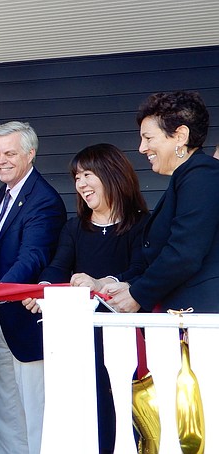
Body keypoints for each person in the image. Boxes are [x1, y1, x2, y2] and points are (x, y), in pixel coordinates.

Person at [22, 143, 149, 453]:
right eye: (77, 177)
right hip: (82, 344)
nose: (80, 185)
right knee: (90, 419)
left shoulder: (143, 223)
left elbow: (140, 270)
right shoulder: (75, 228)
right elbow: (57, 267)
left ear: (112, 175)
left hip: (128, 343)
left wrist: (101, 283)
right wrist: (42, 289)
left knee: (128, 421)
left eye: (87, 175)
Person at [0, 121, 66, 454]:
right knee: (7, 416)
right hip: (0, 323)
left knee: (37, 417)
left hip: (27, 322)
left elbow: (31, 257)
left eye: (9, 153)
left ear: (30, 154)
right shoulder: (6, 194)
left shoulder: (42, 199)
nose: (0, 160)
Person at [103, 91, 219, 313]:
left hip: (205, 322)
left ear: (180, 136)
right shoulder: (188, 177)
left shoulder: (202, 175)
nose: (141, 148)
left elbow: (184, 254)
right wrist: (128, 285)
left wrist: (137, 294)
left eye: (148, 138)